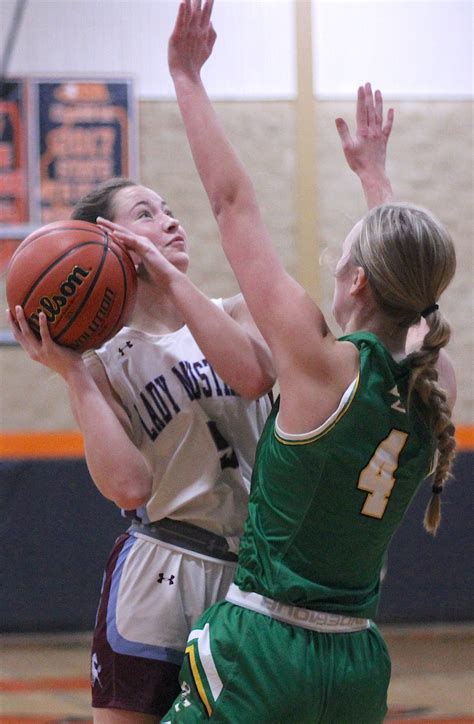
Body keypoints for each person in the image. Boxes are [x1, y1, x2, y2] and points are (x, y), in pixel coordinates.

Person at [146, 2, 454, 721]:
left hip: (265, 649)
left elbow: (231, 206)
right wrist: (377, 183)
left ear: (356, 282)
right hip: (357, 662)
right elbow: (412, 288)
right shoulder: (436, 379)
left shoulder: (321, 366)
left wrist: (186, 78)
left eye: (338, 255)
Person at [9, 177, 276, 720]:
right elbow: (128, 487)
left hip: (256, 574)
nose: (171, 221)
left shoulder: (241, 312)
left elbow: (252, 376)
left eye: (170, 209)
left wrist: (172, 278)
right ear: (106, 242)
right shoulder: (105, 366)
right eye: (147, 213)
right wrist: (72, 374)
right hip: (164, 572)